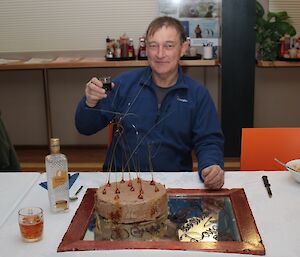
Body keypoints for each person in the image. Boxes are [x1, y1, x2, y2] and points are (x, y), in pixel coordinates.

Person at [75, 16, 224, 189]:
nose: (160, 54)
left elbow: (208, 141)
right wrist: (90, 103)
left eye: (169, 45)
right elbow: (85, 128)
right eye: (153, 45)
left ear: (183, 48)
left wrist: (211, 165)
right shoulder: (124, 84)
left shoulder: (197, 94)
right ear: (146, 48)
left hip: (173, 185)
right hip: (121, 183)